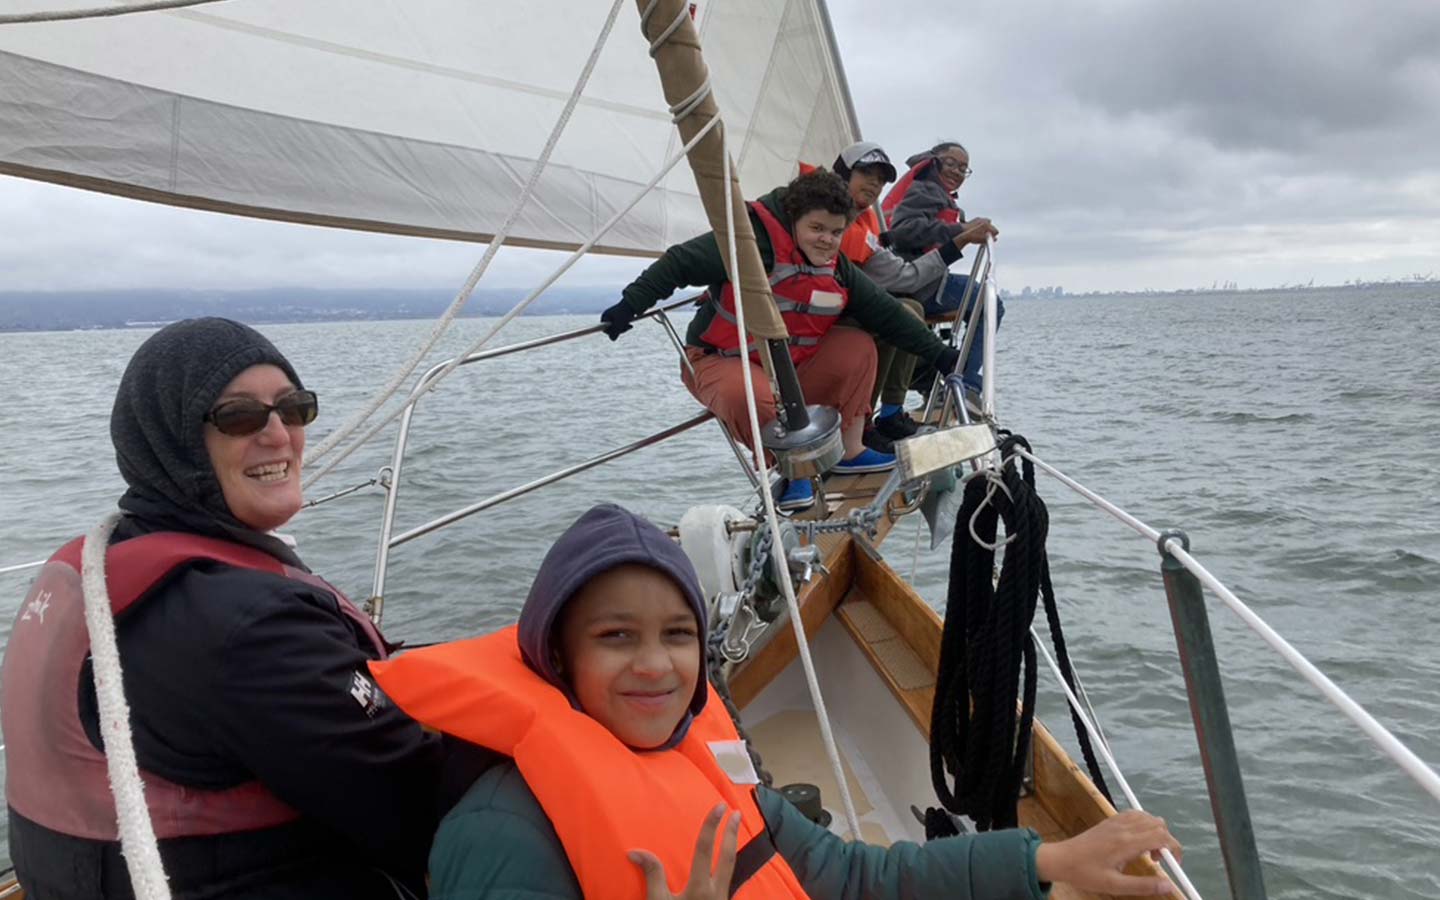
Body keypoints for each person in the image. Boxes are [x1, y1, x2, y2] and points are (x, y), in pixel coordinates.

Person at [372, 503, 1183, 900]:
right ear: (558, 656)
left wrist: (1040, 861)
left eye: (679, 635)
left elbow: (850, 876)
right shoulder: (500, 836)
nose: (656, 666)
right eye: (616, 637)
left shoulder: (697, 768)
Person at [1, 318, 444, 899]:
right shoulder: (247, 624)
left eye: (294, 407)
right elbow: (418, 807)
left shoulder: (113, 562)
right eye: (240, 417)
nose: (279, 435)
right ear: (172, 439)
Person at [599, 169, 964, 512]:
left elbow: (886, 311)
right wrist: (629, 304)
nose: (827, 240)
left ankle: (850, 452)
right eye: (817, 227)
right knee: (747, 394)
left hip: (789, 364)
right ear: (793, 219)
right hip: (721, 359)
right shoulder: (747, 242)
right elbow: (679, 263)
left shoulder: (835, 265)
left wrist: (941, 357)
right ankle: (793, 471)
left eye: (836, 232)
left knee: (859, 346)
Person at [822, 141, 997, 443]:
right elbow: (906, 250)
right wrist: (960, 235)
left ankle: (888, 414)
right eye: (865, 173)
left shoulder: (861, 225)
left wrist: (962, 230)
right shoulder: (828, 221)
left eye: (880, 178)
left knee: (907, 310)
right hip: (831, 317)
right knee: (972, 302)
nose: (875, 183)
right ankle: (961, 385)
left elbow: (896, 264)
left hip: (880, 292)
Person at [883, 141, 1004, 401]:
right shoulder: (925, 189)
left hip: (926, 280)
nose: (957, 172)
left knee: (984, 301)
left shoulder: (937, 194)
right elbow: (903, 231)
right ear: (934, 160)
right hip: (919, 284)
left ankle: (942, 381)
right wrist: (961, 231)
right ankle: (966, 384)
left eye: (963, 168)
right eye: (951, 163)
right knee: (989, 303)